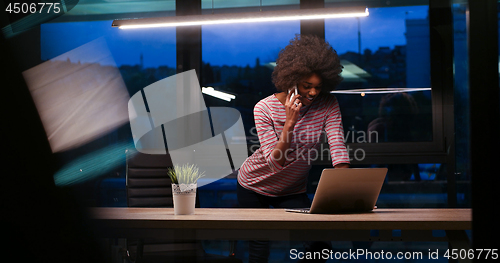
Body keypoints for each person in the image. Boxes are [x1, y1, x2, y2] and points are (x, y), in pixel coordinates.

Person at [237, 34, 350, 263]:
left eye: (318, 87)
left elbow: (337, 145)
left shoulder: (327, 104)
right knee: (259, 248)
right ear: (291, 79)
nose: (313, 93)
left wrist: (345, 189)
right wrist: (290, 122)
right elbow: (275, 161)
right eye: (307, 86)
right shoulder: (264, 108)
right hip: (254, 184)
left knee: (320, 246)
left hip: (292, 189)